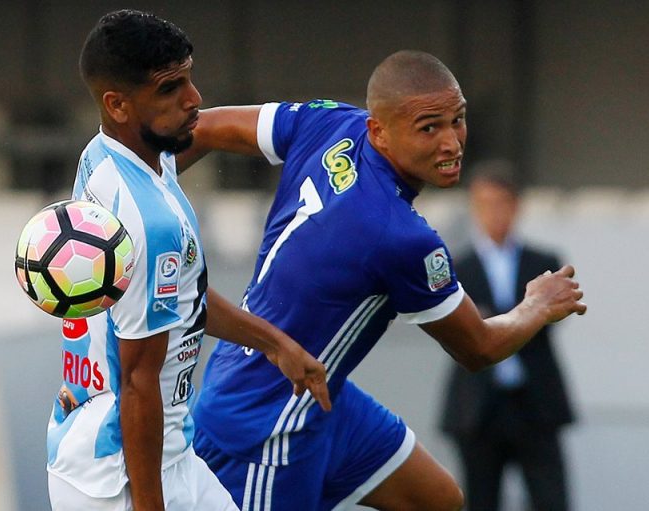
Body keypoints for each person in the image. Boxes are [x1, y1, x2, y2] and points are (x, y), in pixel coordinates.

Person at [176, 49, 587, 511]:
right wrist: (537, 304)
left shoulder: (330, 122)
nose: (452, 142)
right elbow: (479, 347)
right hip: (264, 422)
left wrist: (157, 185)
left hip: (322, 396)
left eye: (458, 119)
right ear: (379, 131)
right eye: (429, 127)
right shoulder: (398, 237)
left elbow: (204, 127)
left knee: (437, 499)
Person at [45, 10, 331, 511]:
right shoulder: (145, 221)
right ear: (118, 104)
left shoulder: (108, 157)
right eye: (170, 87)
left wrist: (274, 343)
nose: (194, 98)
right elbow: (137, 383)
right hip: (120, 474)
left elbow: (181, 297)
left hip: (155, 448)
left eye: (189, 78)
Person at [439, 160, 575, 511]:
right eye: (484, 204)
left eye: (501, 203)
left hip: (535, 401)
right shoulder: (456, 267)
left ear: (516, 206)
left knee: (551, 499)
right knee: (480, 500)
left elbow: (556, 316)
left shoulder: (543, 263)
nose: (493, 214)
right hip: (479, 407)